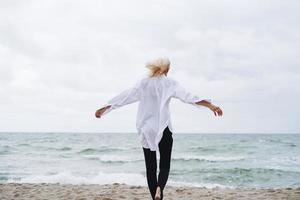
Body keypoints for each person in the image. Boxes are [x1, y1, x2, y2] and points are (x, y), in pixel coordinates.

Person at [95, 57, 223, 200]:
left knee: (150, 168)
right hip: (164, 127)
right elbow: (188, 97)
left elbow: (125, 96)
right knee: (164, 165)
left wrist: (105, 108)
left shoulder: (143, 82)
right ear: (166, 69)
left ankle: (155, 196)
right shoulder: (170, 83)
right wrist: (211, 106)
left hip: (147, 129)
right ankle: (159, 189)